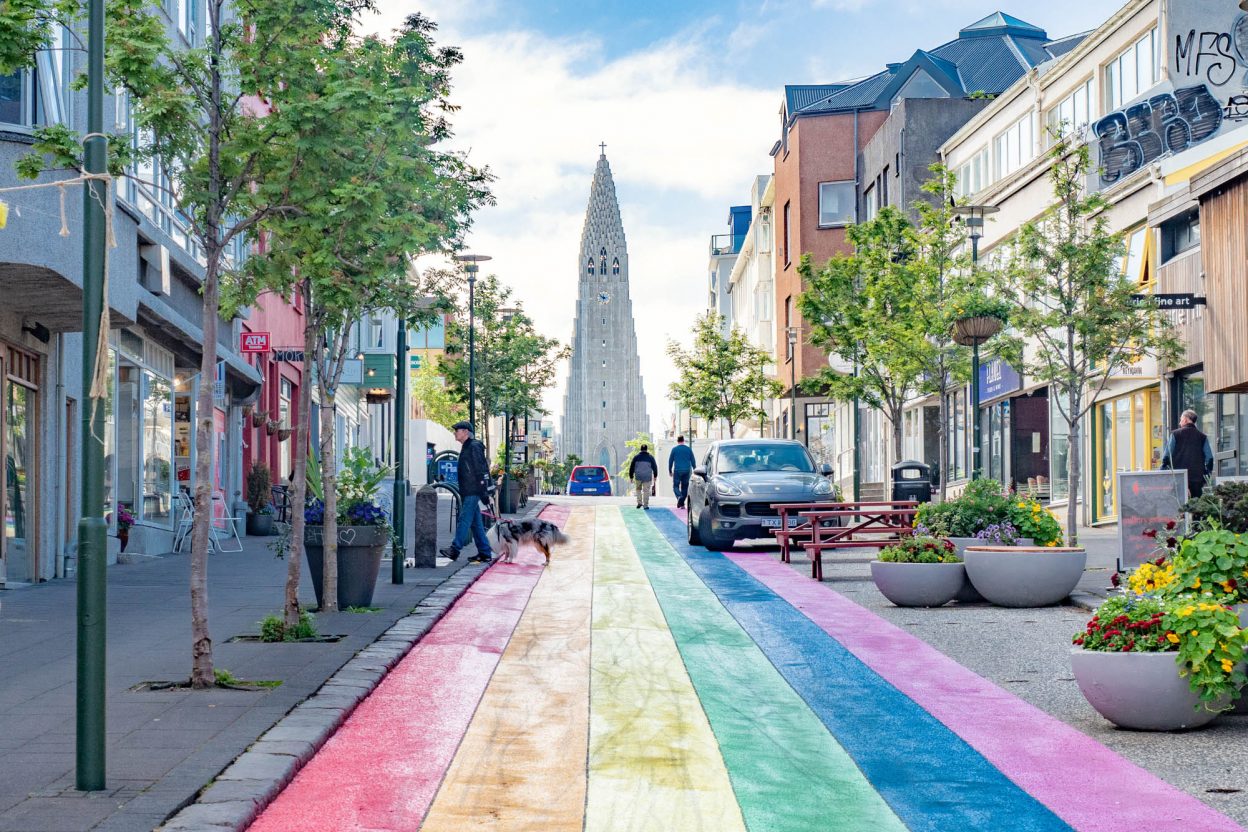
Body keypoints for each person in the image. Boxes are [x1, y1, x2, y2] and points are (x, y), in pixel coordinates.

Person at [439, 421, 496, 563]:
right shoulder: (468, 446)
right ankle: (485, 552)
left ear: (465, 432)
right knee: (476, 523)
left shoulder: (474, 446)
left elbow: (481, 470)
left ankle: (455, 549)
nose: (455, 433)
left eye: (457, 430)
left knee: (464, 519)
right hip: (469, 490)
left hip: (473, 490)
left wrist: (484, 493)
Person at [1161, 409, 1213, 498]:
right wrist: (1206, 474)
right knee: (1196, 507)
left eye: (1181, 420)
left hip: (1178, 477)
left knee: (1179, 506)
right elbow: (1210, 458)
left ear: (1185, 420)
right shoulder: (1202, 437)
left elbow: (1167, 455)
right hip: (1197, 478)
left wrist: (1163, 470)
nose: (1179, 423)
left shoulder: (1175, 434)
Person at [668, 436, 695, 509]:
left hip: (677, 471)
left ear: (677, 441)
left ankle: (679, 497)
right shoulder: (688, 449)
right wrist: (695, 470)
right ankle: (682, 503)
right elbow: (693, 460)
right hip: (687, 470)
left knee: (675, 486)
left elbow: (670, 461)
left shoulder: (674, 449)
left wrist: (670, 470)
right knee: (685, 487)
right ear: (683, 440)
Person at [629, 444, 659, 510]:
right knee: (646, 491)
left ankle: (639, 503)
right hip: (647, 477)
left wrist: (631, 476)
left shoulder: (636, 457)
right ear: (646, 449)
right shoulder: (650, 457)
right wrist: (655, 476)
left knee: (638, 490)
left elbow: (631, 467)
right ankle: (645, 505)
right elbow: (655, 467)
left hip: (638, 477)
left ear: (641, 449)